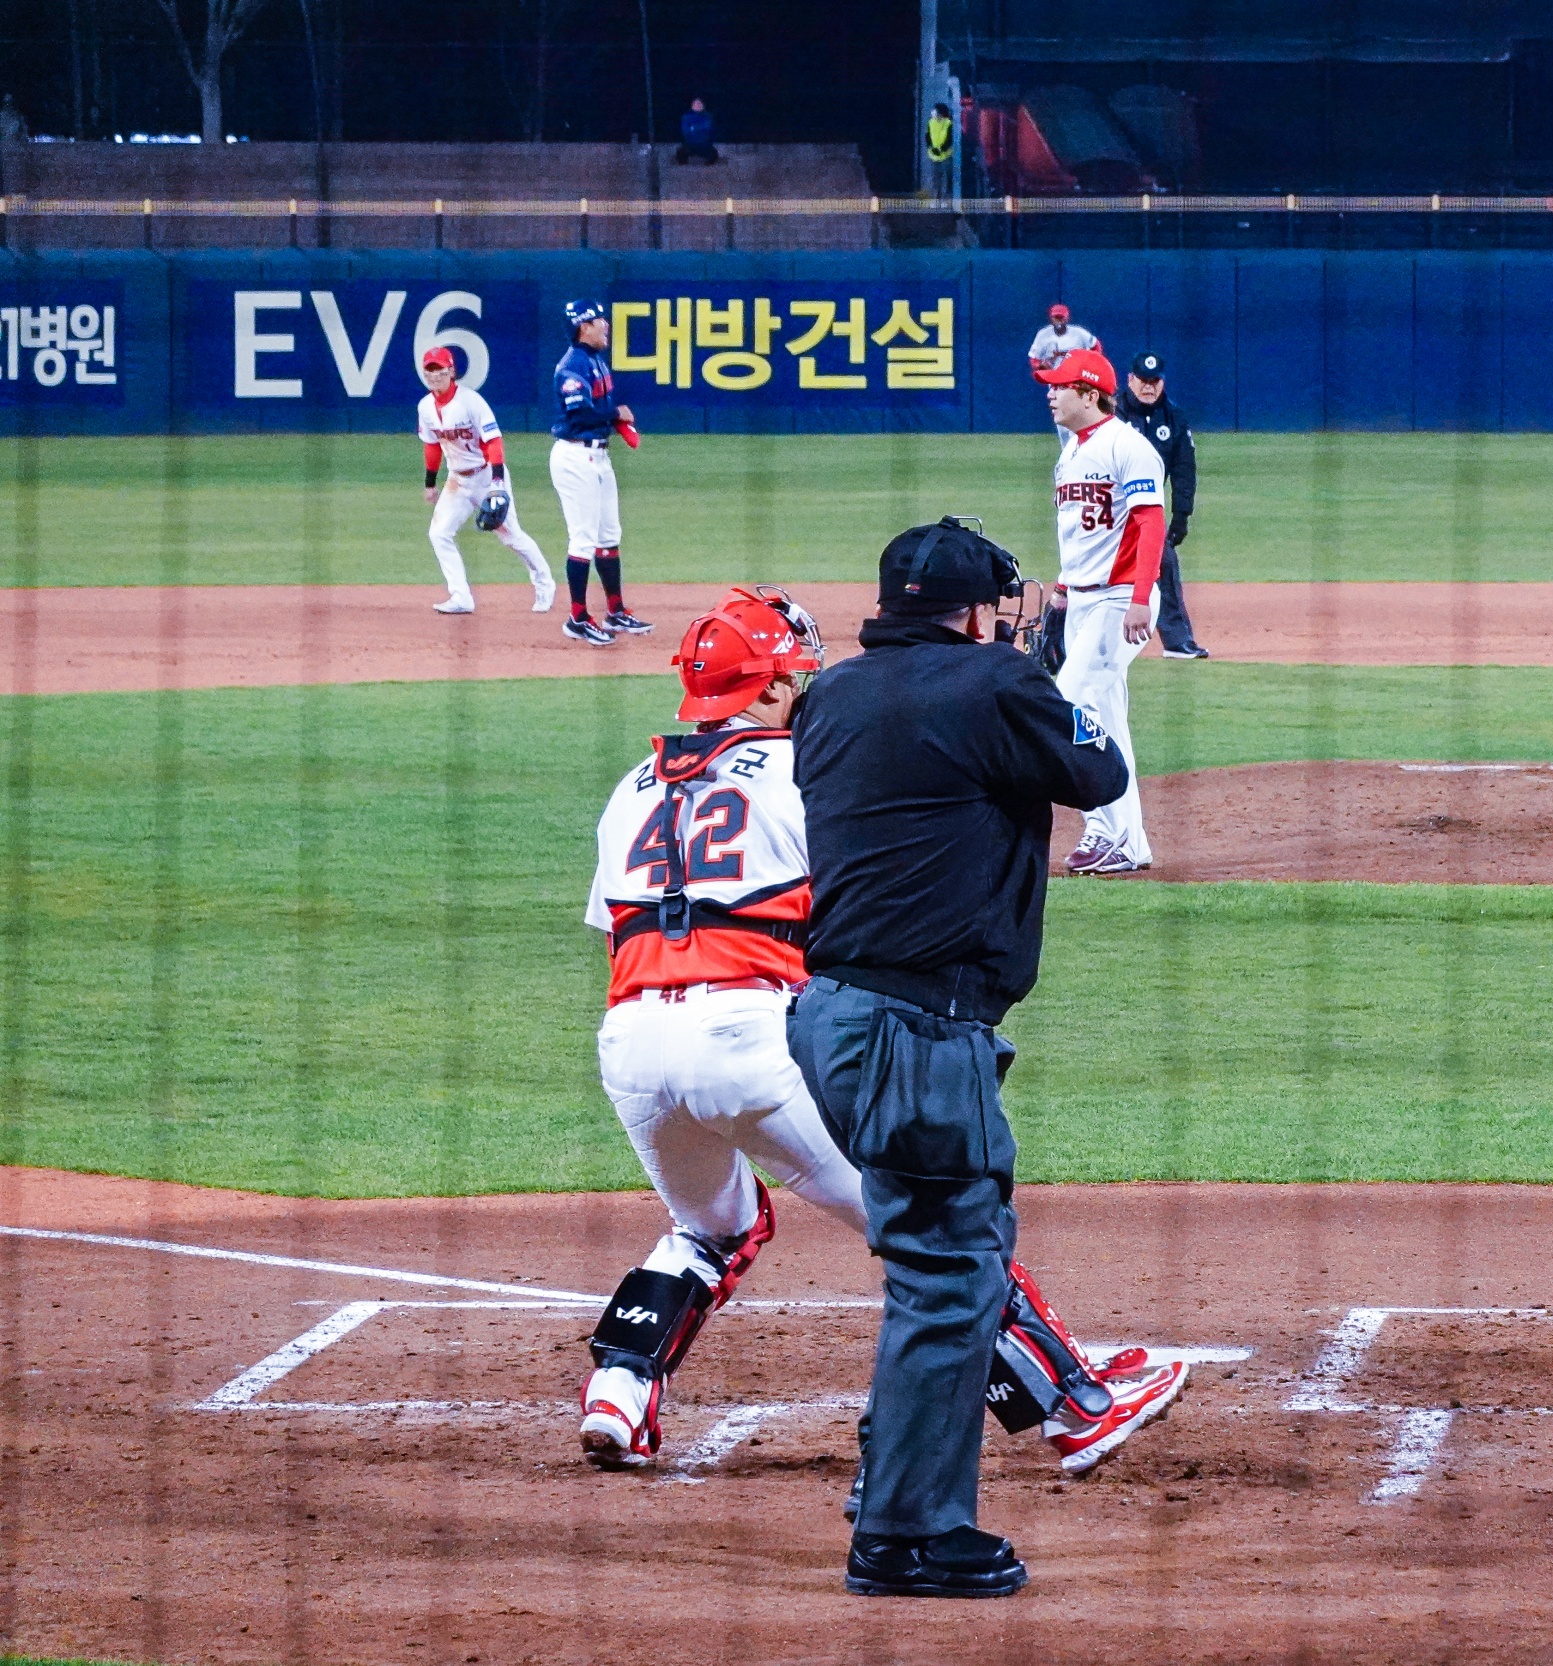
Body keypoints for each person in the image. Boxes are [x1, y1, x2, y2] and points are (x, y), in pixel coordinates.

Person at [576, 583, 1188, 1498]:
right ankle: (1076, 1405)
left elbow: (619, 929)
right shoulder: (804, 769)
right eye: (797, 674)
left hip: (630, 1042)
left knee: (713, 1227)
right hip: (749, 1037)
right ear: (768, 687)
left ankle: (618, 1393)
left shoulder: (631, 788)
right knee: (935, 1228)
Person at [785, 521, 1184, 1599]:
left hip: (836, 1018)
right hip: (915, 1030)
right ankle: (904, 1535)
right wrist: (1035, 682)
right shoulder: (995, 682)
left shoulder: (829, 694)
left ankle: (892, 1494)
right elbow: (1098, 773)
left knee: (948, 1263)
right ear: (971, 611)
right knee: (951, 1273)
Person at [1038, 347, 1165, 875]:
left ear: (1089, 394)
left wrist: (1139, 598)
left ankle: (1105, 828)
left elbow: (1151, 524)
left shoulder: (1128, 447)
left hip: (1120, 598)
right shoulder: (1071, 450)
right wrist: (1062, 589)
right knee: (1106, 720)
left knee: (1070, 702)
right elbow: (1082, 532)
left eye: (1059, 386)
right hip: (1084, 599)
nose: (1050, 394)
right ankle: (1128, 842)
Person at [416, 345, 554, 616]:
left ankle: (544, 584)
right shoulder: (425, 407)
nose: (434, 375)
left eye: (439, 369)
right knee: (439, 533)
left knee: (511, 536)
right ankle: (461, 597)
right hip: (457, 481)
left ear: (451, 371)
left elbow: (493, 441)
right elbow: (432, 445)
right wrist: (430, 483)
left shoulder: (471, 402)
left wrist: (498, 483)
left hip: (486, 475)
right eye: (429, 370)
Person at [548, 299, 651, 646]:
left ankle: (615, 611)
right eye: (598, 320)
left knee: (609, 535)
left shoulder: (595, 360)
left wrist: (616, 423)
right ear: (583, 328)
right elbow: (580, 414)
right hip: (575, 456)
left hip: (598, 456)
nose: (605, 324)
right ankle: (577, 618)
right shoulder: (572, 366)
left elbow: (601, 408)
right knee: (583, 539)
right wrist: (616, 415)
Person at [1117, 351, 1206, 659]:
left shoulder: (1173, 418)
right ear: (1130, 379)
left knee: (1164, 562)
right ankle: (1059, 638)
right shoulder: (1112, 414)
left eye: (1154, 381)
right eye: (1143, 380)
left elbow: (1184, 470)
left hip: (1144, 512)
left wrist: (1181, 516)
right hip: (1108, 510)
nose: (1148, 387)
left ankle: (1177, 641)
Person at [1026, 304, 1095, 380]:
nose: (1059, 320)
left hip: (1076, 376)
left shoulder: (1079, 333)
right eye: (1056, 317)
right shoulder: (1043, 334)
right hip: (1055, 376)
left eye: (1061, 317)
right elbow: (1034, 358)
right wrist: (1040, 366)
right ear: (1051, 318)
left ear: (1067, 318)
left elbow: (1095, 345)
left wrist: (1091, 363)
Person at [676, 97, 718, 165]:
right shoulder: (686, 117)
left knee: (713, 155)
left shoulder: (708, 116)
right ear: (692, 106)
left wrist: (694, 128)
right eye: (695, 104)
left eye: (699, 104)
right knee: (680, 153)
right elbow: (685, 131)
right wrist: (697, 129)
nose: (697, 105)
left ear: (703, 106)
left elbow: (708, 129)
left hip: (704, 143)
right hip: (690, 143)